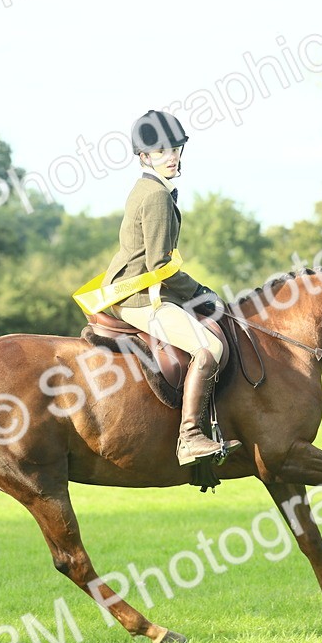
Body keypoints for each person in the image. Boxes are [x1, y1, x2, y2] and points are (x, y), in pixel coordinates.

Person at [92, 109, 240, 466]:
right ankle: (189, 438)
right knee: (209, 349)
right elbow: (159, 265)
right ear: (144, 157)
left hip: (144, 289)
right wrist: (201, 292)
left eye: (175, 149)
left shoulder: (153, 188)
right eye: (162, 152)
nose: (171, 157)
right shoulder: (156, 194)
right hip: (143, 296)